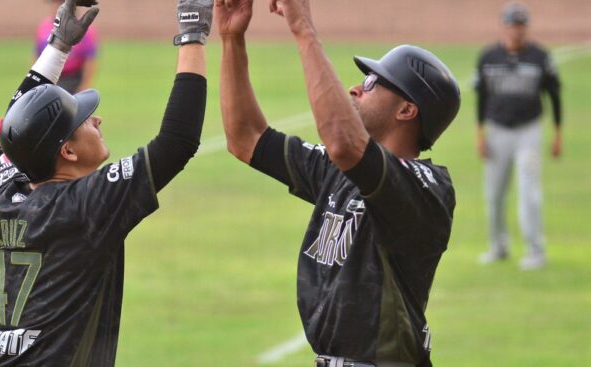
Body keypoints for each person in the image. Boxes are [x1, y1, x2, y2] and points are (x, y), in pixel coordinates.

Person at [216, 0, 460, 365]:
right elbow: (245, 137)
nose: (355, 89)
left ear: (406, 110)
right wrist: (231, 39)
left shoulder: (425, 188)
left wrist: (304, 30)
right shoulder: (340, 170)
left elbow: (343, 142)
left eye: (372, 83)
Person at [0, 0, 213, 365]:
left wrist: (58, 44)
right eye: (85, 120)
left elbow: (12, 128)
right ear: (68, 152)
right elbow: (177, 143)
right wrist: (193, 35)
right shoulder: (82, 207)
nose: (98, 119)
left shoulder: (5, 194)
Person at [475, 2, 561, 270]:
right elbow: (482, 98)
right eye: (512, 25)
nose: (516, 30)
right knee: (494, 194)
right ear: (504, 26)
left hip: (529, 131)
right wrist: (480, 133)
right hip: (497, 130)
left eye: (521, 25)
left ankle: (536, 250)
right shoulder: (488, 58)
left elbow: (555, 96)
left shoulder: (540, 57)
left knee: (529, 191)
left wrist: (558, 133)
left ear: (527, 28)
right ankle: (498, 246)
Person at [35, 0, 100, 92]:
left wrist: (84, 86)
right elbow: (37, 56)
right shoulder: (43, 27)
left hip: (72, 79)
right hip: (48, 77)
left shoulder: (85, 30)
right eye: (56, 3)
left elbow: (90, 61)